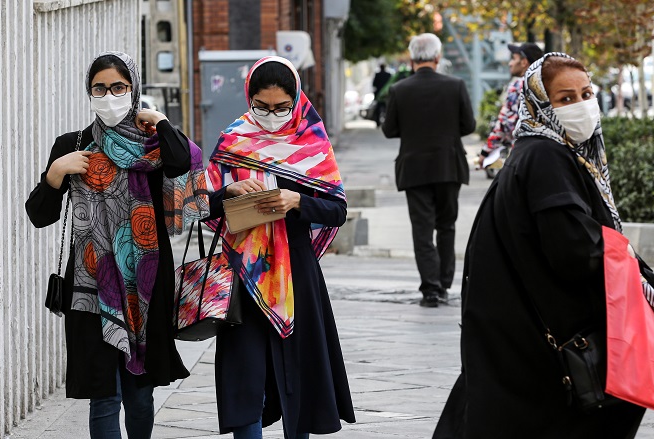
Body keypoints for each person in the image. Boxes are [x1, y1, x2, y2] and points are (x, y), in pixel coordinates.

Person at [434, 53, 654, 438]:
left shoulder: (545, 152)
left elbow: (600, 237)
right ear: (540, 104)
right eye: (565, 98)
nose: (581, 105)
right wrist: (640, 290)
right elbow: (577, 250)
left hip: (520, 333)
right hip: (540, 337)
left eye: (586, 93)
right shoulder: (546, 156)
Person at [26, 51, 209, 439]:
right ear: (88, 92)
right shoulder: (73, 144)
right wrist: (56, 173)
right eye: (99, 88)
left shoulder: (153, 146)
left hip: (145, 283)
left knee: (140, 396)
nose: (108, 96)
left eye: (118, 87)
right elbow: (39, 214)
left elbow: (183, 163)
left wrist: (160, 122)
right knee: (104, 398)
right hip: (92, 286)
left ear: (134, 89)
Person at [204, 56, 355, 439]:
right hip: (242, 271)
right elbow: (198, 204)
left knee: (298, 371)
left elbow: (337, 209)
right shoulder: (232, 139)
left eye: (281, 107)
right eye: (262, 107)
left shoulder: (313, 142)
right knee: (245, 375)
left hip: (297, 273)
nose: (271, 115)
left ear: (297, 99)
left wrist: (296, 202)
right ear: (248, 98)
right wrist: (229, 192)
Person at [382, 33, 476, 307]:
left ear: (412, 60)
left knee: (422, 230)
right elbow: (468, 125)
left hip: (414, 169)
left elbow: (389, 130)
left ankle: (430, 289)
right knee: (446, 225)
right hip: (449, 165)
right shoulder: (456, 85)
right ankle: (445, 284)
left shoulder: (399, 89)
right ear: (437, 58)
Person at [479, 42, 544, 168]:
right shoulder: (547, 84)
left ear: (524, 62)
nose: (510, 63)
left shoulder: (518, 86)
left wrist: (486, 151)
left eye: (514, 59)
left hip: (523, 153)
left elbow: (505, 124)